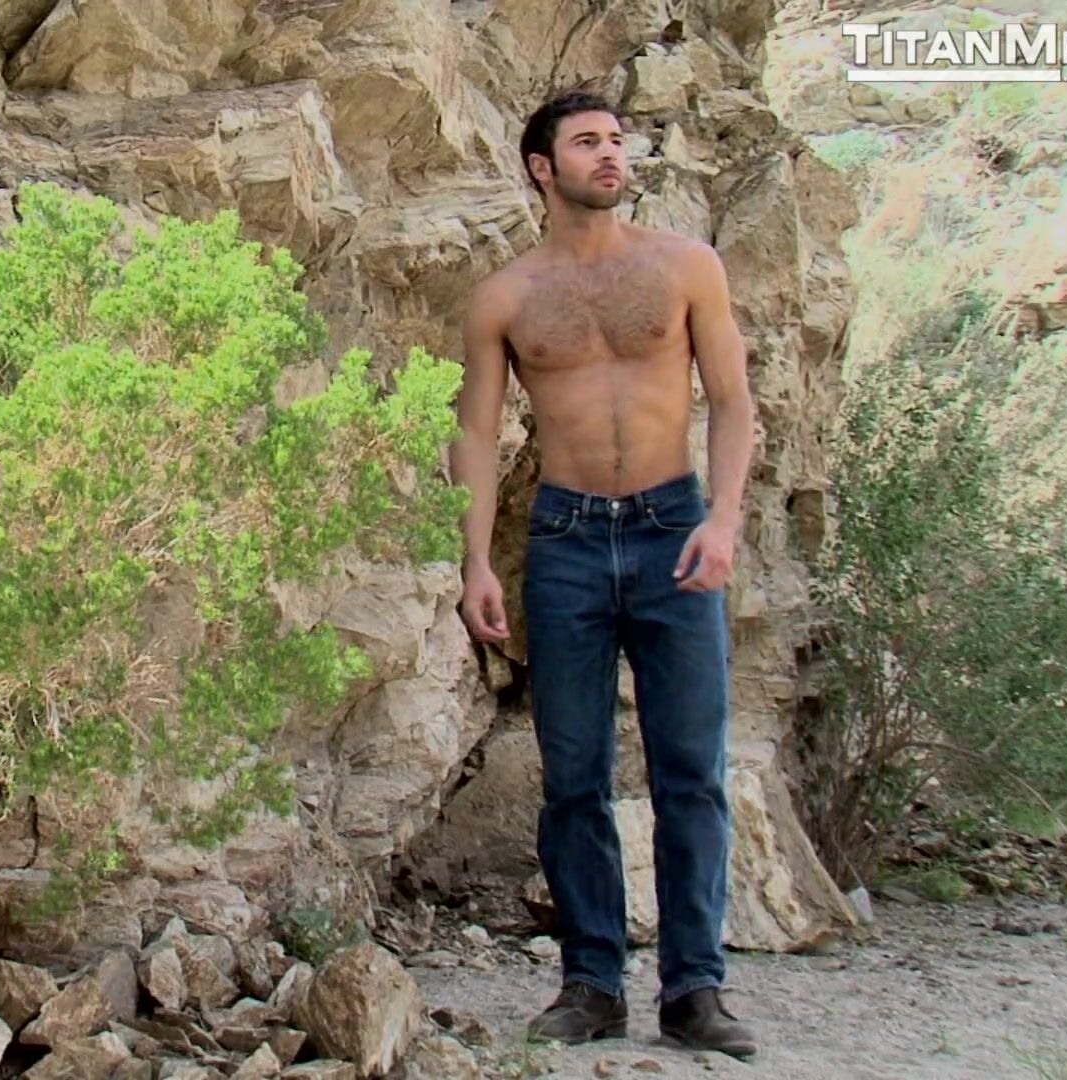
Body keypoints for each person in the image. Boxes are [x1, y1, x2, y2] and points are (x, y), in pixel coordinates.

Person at [448, 89, 758, 1060]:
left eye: (617, 140)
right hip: (567, 541)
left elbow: (734, 400)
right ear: (543, 168)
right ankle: (591, 984)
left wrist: (724, 519)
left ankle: (695, 989)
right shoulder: (505, 297)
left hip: (675, 530)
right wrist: (475, 562)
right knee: (574, 774)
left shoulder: (685, 266)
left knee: (690, 771)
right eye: (587, 142)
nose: (611, 154)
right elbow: (476, 433)